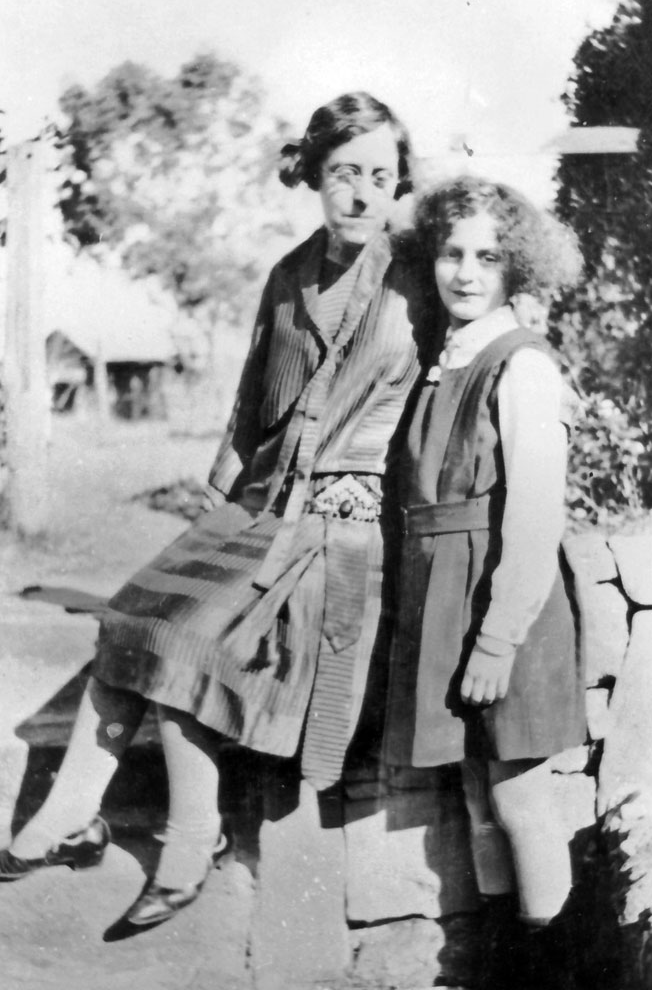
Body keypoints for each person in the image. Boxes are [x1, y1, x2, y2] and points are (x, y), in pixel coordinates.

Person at [0, 92, 434, 927]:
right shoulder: (289, 273)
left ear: (398, 185)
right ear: (314, 174)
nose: (360, 195)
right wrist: (219, 483)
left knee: (188, 636)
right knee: (132, 616)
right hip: (263, 504)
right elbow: (248, 396)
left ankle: (192, 840)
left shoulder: (417, 276)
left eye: (381, 177)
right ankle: (71, 815)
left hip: (345, 526)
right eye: (344, 173)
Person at [383, 176, 586, 990]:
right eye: (452, 253)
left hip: (506, 609)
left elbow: (535, 515)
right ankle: (507, 962)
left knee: (522, 802)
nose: (466, 272)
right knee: (477, 800)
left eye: (488, 256)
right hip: (446, 602)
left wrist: (498, 638)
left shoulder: (521, 365)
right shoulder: (448, 358)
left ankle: (554, 967)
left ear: (518, 266)